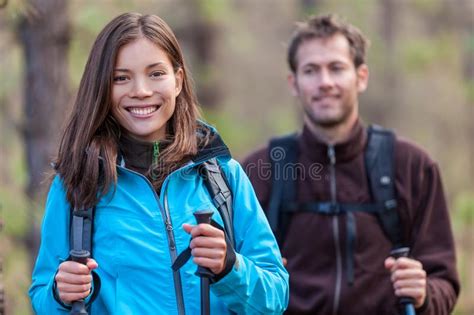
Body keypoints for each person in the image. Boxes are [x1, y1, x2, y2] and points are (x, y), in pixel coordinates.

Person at [29, 12, 288, 314]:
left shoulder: (223, 176)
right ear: (102, 87)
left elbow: (275, 297)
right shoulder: (76, 181)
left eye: (156, 74)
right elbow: (42, 298)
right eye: (121, 77)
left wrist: (230, 268)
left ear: (177, 81)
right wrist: (61, 295)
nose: (140, 90)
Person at [242, 14, 459, 315]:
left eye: (337, 68)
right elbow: (229, 284)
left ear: (361, 77)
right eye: (311, 70)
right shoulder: (257, 172)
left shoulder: (412, 167)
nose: (325, 82)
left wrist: (424, 294)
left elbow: (444, 283)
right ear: (294, 82)